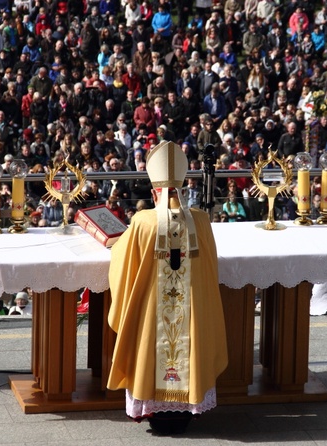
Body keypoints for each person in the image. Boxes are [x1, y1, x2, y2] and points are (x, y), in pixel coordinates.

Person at [107, 141, 228, 435]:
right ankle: (188, 404)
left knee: (154, 337)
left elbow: (123, 263)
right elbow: (211, 267)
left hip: (153, 317)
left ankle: (154, 407)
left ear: (153, 191)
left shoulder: (142, 221)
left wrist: (116, 243)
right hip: (192, 317)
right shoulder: (200, 219)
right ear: (182, 188)